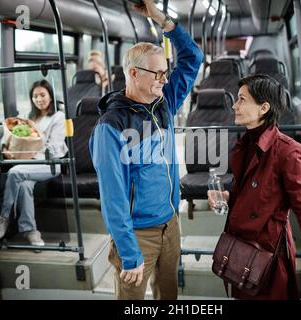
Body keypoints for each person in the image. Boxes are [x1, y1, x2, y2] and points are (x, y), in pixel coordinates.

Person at [89, 0, 203, 300]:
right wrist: (129, 253)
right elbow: (113, 197)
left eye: (166, 73)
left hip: (170, 225)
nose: (164, 80)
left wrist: (163, 20)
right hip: (137, 236)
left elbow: (193, 57)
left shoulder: (163, 102)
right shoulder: (110, 127)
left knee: (169, 297)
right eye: (157, 74)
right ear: (133, 74)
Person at [207, 74, 301, 300]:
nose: (234, 105)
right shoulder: (245, 144)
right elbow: (253, 192)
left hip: (267, 256)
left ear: (263, 108)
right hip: (241, 251)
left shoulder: (288, 152)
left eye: (242, 100)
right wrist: (228, 196)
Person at [0, 79, 68, 246]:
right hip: (28, 165)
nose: (39, 99)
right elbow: (9, 135)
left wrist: (31, 147)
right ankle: (30, 231)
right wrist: (5, 148)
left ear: (50, 96)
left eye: (42, 95)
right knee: (24, 185)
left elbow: (54, 149)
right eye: (35, 96)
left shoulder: (58, 117)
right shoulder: (28, 117)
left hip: (50, 164)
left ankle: (4, 217)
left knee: (15, 172)